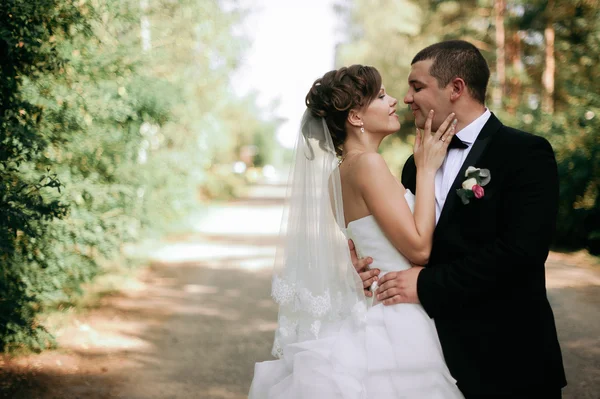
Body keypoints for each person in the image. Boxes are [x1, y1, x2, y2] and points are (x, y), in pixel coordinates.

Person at [352, 40, 567, 398]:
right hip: (426, 356)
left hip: (506, 358)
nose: (406, 98)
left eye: (417, 87)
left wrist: (427, 285)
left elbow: (521, 253)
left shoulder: (524, 153)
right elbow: (403, 241)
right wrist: (366, 267)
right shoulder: (413, 165)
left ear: (456, 88)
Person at [248, 64, 464, 398]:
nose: (394, 100)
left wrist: (354, 276)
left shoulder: (337, 176)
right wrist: (426, 170)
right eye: (380, 96)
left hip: (377, 303)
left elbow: (360, 252)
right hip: (399, 316)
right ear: (355, 117)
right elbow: (419, 250)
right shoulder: (368, 165)